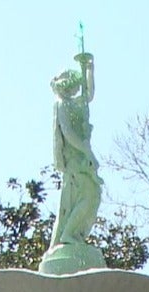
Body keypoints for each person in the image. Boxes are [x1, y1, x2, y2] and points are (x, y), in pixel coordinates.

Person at [47, 50, 101, 254]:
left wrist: (89, 69)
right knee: (88, 194)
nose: (78, 86)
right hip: (74, 158)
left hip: (82, 157)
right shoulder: (61, 104)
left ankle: (73, 234)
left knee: (91, 195)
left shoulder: (75, 103)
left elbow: (89, 94)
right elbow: (67, 132)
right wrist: (86, 149)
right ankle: (68, 235)